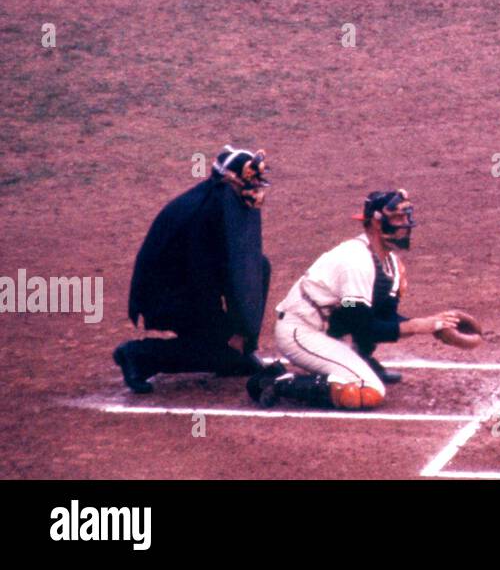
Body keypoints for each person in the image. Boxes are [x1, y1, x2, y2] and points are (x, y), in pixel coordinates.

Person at [248, 189, 479, 410]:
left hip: (328, 322)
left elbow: (382, 316)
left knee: (359, 306)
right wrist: (419, 326)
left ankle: (359, 360)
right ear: (377, 223)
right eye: (397, 219)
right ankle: (277, 382)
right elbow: (365, 328)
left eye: (404, 218)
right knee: (368, 390)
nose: (404, 226)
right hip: (300, 331)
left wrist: (432, 324)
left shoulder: (388, 263)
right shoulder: (357, 261)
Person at [114, 146, 273, 394]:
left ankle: (238, 353)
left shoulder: (221, 202)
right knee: (220, 353)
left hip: (190, 286)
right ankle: (139, 356)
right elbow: (202, 281)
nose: (252, 188)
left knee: (259, 265)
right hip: (166, 295)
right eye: (246, 182)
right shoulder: (203, 215)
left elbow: (238, 265)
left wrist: (242, 334)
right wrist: (229, 335)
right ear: (228, 181)